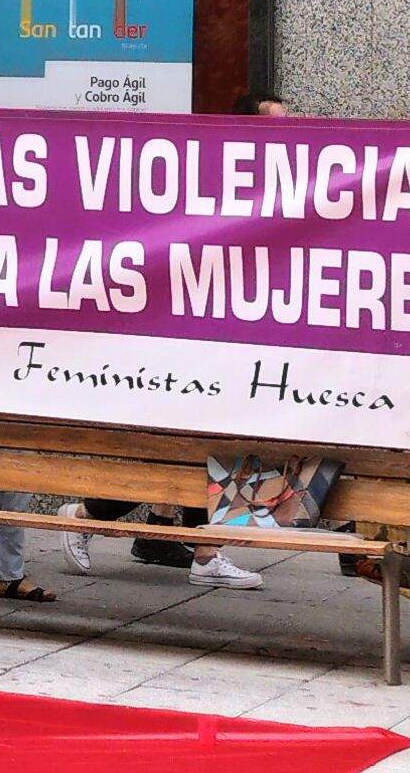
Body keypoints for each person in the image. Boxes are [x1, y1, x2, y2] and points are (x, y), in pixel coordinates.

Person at [58, 90, 294, 587]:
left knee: (209, 453)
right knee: (181, 454)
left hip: (229, 338)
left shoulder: (272, 184)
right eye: (277, 124)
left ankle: (201, 551)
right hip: (190, 340)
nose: (288, 133)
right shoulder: (216, 180)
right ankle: (86, 514)